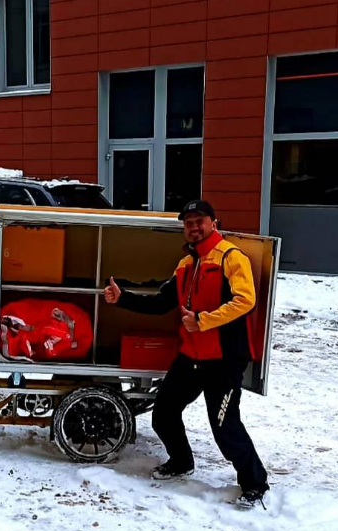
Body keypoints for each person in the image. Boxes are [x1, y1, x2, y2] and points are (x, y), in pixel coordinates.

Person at [104, 200, 269, 509]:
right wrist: (122, 298)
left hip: (224, 360)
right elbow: (161, 303)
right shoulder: (185, 265)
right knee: (163, 414)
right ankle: (181, 461)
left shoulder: (232, 258)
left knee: (225, 427)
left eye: (200, 220)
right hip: (191, 356)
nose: (194, 226)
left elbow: (245, 300)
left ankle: (255, 483)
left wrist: (203, 321)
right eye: (189, 222)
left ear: (214, 222)